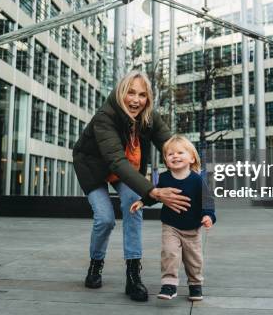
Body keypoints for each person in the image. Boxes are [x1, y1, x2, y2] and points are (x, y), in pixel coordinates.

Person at [73, 70, 191, 302]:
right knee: (105, 218)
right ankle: (95, 265)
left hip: (125, 169)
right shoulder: (104, 118)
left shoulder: (149, 117)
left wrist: (192, 171)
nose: (136, 100)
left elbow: (171, 146)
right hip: (94, 168)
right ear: (120, 93)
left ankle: (133, 275)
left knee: (133, 206)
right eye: (131, 93)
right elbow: (115, 160)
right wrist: (152, 190)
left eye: (142, 95)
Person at [130, 135, 216, 301]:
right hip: (171, 226)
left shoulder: (197, 180)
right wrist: (142, 201)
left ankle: (195, 285)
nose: (175, 156)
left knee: (194, 259)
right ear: (166, 160)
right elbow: (156, 194)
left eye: (180, 152)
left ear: (191, 157)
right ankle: (169, 285)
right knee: (169, 253)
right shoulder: (164, 178)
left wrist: (208, 215)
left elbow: (208, 200)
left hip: (192, 228)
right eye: (170, 154)